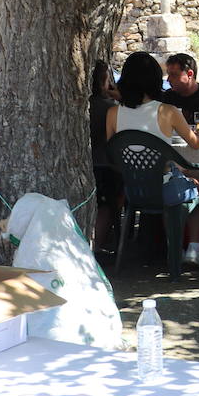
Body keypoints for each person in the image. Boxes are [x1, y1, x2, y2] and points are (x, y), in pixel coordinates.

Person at [106, 52, 199, 268]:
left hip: (133, 190)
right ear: (155, 79)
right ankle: (193, 248)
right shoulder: (167, 111)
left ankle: (171, 246)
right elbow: (196, 144)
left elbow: (114, 153)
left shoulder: (113, 113)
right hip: (166, 189)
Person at [89, 60, 120, 252]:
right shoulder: (111, 108)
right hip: (106, 164)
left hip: (90, 162)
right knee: (108, 203)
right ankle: (97, 245)